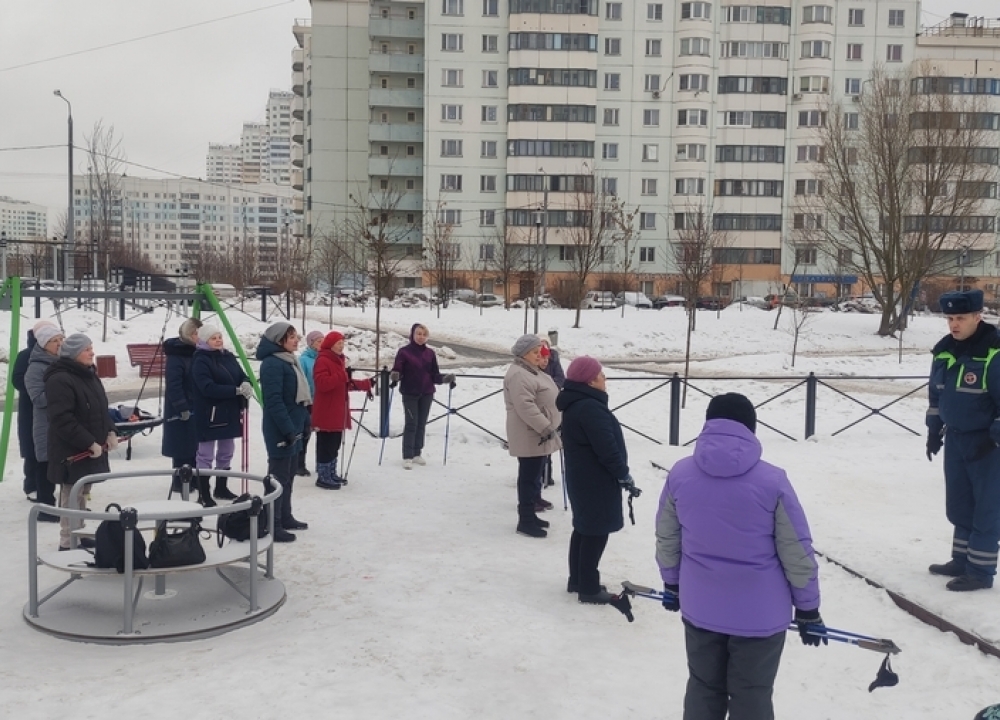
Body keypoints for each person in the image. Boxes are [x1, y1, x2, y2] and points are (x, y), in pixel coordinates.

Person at [656, 393, 823, 720]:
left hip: (700, 604)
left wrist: (672, 584)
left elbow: (667, 536)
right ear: (750, 428)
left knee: (704, 687)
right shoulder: (772, 481)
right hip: (759, 615)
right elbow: (796, 549)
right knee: (752, 695)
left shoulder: (680, 474)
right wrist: (808, 607)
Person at [926, 288, 1000, 592]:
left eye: (961, 318)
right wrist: (933, 430)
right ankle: (961, 559)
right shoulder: (944, 351)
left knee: (987, 507)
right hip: (956, 439)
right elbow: (936, 396)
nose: (954, 324)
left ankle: (980, 571)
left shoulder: (993, 353)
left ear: (977, 317)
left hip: (988, 445)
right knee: (959, 503)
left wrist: (994, 438)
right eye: (950, 318)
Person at [557, 355, 638, 604]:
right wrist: (623, 475)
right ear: (591, 381)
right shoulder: (590, 408)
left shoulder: (578, 403)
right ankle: (589, 588)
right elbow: (608, 450)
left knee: (584, 528)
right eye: (601, 375)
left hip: (583, 478)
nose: (605, 379)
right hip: (595, 480)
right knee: (595, 531)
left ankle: (578, 580)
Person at [44, 334, 118, 551]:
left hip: (90, 450)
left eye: (91, 347)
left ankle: (80, 532)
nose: (92, 352)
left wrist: (111, 431)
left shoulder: (89, 375)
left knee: (84, 492)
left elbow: (100, 409)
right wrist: (89, 442)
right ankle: (67, 542)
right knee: (71, 494)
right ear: (74, 353)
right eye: (87, 349)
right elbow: (62, 419)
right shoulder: (59, 379)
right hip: (70, 451)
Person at [503, 334, 562, 538]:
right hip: (531, 433)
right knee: (528, 477)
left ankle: (530, 515)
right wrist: (546, 427)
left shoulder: (530, 370)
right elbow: (525, 406)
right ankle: (525, 520)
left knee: (534, 476)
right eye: (535, 352)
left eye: (540, 352)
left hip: (537, 434)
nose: (540, 356)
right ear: (524, 354)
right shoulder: (520, 374)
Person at [257, 322, 311, 541]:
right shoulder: (272, 364)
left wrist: (304, 421)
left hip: (294, 426)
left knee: (288, 476)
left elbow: (298, 397)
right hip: (280, 428)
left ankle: (285, 516)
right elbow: (274, 401)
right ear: (279, 341)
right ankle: (272, 523)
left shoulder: (289, 361)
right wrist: (288, 429)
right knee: (277, 478)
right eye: (291, 337)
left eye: (296, 336)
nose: (297, 340)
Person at [191, 324, 251, 507]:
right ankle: (204, 492)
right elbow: (207, 387)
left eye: (219, 337)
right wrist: (235, 390)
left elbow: (241, 375)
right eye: (213, 338)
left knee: (226, 451)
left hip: (229, 411)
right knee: (206, 454)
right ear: (204, 341)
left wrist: (246, 383)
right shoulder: (200, 360)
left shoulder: (228, 356)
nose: (218, 340)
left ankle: (221, 487)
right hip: (209, 413)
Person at [312, 331, 374, 489]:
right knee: (326, 443)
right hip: (327, 410)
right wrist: (342, 375)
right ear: (330, 345)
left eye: (342, 343)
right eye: (338, 343)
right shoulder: (323, 360)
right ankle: (323, 475)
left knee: (335, 443)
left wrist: (365, 384)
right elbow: (322, 384)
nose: (342, 346)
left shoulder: (339, 361)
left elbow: (345, 383)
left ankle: (331, 472)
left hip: (338, 410)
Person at [390, 323, 456, 469]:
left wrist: (445, 378)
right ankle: (407, 455)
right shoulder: (404, 352)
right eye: (418, 333)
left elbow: (434, 374)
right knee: (411, 423)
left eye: (424, 334)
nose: (421, 337)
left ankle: (416, 452)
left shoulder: (430, 353)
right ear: (412, 335)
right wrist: (395, 376)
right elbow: (398, 369)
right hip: (410, 392)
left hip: (427, 392)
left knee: (421, 424)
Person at [23, 323, 63, 520]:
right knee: (45, 465)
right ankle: (46, 508)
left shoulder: (63, 362)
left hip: (63, 423)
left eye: (61, 340)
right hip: (45, 425)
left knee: (64, 465)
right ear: (44, 343)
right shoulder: (35, 369)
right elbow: (38, 399)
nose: (59, 344)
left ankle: (66, 506)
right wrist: (62, 393)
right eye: (54, 341)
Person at [13, 321, 56, 504]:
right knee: (32, 447)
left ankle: (46, 485)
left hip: (50, 408)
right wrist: (36, 389)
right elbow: (18, 380)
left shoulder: (56, 356)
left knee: (45, 448)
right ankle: (31, 484)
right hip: (30, 407)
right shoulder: (26, 356)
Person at [161, 318, 202, 494]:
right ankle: (179, 480)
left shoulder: (197, 352)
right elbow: (174, 384)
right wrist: (181, 406)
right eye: (195, 334)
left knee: (194, 444)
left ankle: (192, 478)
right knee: (181, 445)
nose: (198, 338)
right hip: (180, 408)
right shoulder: (177, 355)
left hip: (195, 405)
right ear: (189, 335)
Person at [296, 329, 324, 477]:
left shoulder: (324, 358)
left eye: (323, 340)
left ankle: (322, 464)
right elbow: (302, 381)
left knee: (321, 432)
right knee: (305, 432)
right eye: (319, 341)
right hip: (308, 401)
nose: (322, 343)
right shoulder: (304, 360)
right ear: (311, 343)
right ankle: (299, 463)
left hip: (321, 401)